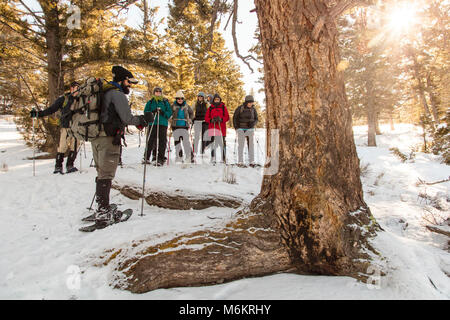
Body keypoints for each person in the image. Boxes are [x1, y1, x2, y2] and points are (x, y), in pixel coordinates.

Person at [91, 66, 152, 227]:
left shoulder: (103, 92)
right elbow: (126, 118)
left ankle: (101, 207)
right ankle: (103, 212)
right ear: (121, 80)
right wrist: (143, 119)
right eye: (128, 81)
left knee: (101, 173)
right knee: (106, 175)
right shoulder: (117, 94)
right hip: (109, 139)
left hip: (96, 137)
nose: (130, 85)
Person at [30, 81, 81, 174]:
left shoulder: (81, 99)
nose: (77, 90)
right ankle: (58, 167)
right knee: (62, 147)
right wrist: (39, 114)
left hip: (77, 127)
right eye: (75, 88)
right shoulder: (64, 99)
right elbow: (52, 109)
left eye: (78, 88)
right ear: (71, 89)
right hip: (66, 126)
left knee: (75, 146)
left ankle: (70, 165)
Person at [143, 87, 172, 166]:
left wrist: (163, 113)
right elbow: (146, 111)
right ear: (154, 92)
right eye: (156, 91)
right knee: (150, 140)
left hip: (162, 123)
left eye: (159, 91)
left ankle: (160, 158)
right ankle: (146, 157)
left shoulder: (165, 101)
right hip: (153, 123)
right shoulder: (151, 101)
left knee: (162, 141)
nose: (158, 93)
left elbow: (169, 112)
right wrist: (152, 112)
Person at [233, 95, 259, 167]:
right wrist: (236, 128)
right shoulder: (240, 108)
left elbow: (256, 119)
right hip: (241, 129)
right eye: (249, 102)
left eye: (252, 102)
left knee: (251, 145)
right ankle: (240, 161)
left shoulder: (253, 109)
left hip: (250, 129)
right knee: (241, 145)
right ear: (246, 102)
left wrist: (253, 123)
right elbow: (235, 118)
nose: (251, 104)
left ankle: (251, 161)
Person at [205, 93, 230, 164]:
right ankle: (213, 157)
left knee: (222, 143)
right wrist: (211, 120)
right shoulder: (210, 108)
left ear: (220, 100)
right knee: (213, 143)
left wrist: (221, 119)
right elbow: (206, 118)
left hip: (221, 128)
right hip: (213, 128)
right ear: (213, 100)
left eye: (218, 99)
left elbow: (227, 117)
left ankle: (223, 158)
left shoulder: (223, 107)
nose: (216, 100)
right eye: (215, 99)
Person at [171, 90, 194, 163]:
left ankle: (190, 156)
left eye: (181, 98)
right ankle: (179, 156)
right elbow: (169, 113)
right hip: (175, 125)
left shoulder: (186, 106)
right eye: (178, 98)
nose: (180, 100)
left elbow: (191, 113)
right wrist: (170, 119)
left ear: (183, 99)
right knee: (177, 142)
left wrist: (190, 119)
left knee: (186, 142)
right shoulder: (173, 106)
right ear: (176, 99)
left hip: (184, 126)